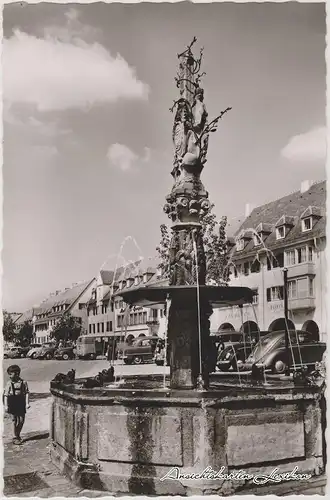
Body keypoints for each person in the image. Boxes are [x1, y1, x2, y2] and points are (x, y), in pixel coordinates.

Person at [4, 365, 30, 445]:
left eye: (11, 374)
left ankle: (17, 433)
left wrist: (27, 403)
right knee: (14, 420)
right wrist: (6, 405)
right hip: (12, 402)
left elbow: (26, 393)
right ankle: (15, 437)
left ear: (17, 373)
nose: (10, 376)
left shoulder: (23, 382)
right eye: (9, 374)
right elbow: (6, 395)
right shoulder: (9, 383)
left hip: (21, 402)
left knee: (21, 420)